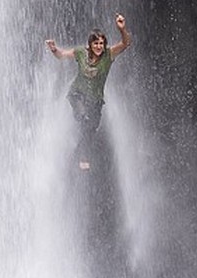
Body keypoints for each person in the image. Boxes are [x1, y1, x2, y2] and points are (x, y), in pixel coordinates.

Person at [45, 14, 132, 171]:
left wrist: (122, 29)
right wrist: (54, 49)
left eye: (101, 43)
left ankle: (77, 154)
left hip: (96, 100)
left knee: (91, 130)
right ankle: (82, 157)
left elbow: (126, 43)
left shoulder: (108, 55)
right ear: (90, 45)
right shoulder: (80, 53)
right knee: (84, 118)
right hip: (77, 95)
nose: (99, 46)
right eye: (95, 43)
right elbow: (62, 55)